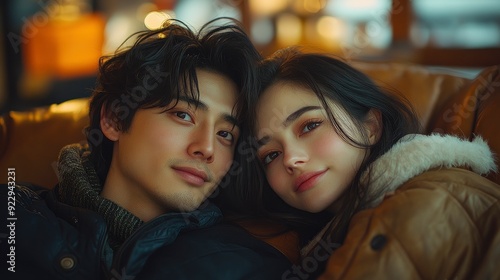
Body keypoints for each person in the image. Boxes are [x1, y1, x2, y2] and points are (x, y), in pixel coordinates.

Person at [2, 18, 293, 280]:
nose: (206, 148)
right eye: (183, 115)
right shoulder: (13, 218)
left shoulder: (244, 265)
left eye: (226, 134)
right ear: (114, 118)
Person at [225, 47, 500, 279]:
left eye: (309, 126)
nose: (292, 159)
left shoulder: (425, 200)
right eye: (270, 154)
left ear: (370, 125)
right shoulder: (320, 238)